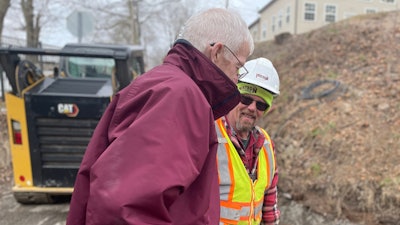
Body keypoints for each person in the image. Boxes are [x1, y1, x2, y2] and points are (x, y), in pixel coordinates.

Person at [66, 7, 254, 225]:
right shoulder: (179, 98)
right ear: (218, 52)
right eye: (238, 66)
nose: (237, 78)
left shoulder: (163, 85)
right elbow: (126, 209)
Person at [215, 58, 281, 225]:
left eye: (261, 105)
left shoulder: (266, 144)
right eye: (245, 99)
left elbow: (270, 203)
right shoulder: (209, 135)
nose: (252, 108)